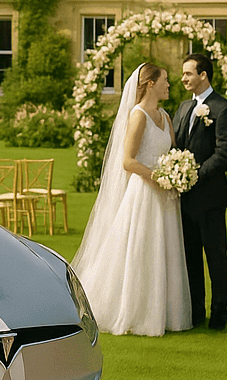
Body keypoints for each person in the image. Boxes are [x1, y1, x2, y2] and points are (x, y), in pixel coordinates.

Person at [70, 63, 192, 337]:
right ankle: (135, 312)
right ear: (150, 84)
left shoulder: (165, 116)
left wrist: (176, 171)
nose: (169, 85)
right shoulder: (138, 116)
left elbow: (171, 152)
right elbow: (128, 161)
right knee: (142, 251)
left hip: (166, 196)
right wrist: (158, 177)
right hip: (145, 193)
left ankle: (166, 314)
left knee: (165, 251)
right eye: (165, 80)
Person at [173, 53, 227, 330]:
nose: (183, 78)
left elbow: (225, 153)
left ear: (203, 75)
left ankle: (219, 313)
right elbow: (175, 145)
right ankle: (195, 312)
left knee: (216, 257)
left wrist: (194, 176)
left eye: (188, 73)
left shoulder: (223, 109)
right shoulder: (183, 108)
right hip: (183, 199)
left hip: (211, 197)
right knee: (190, 258)